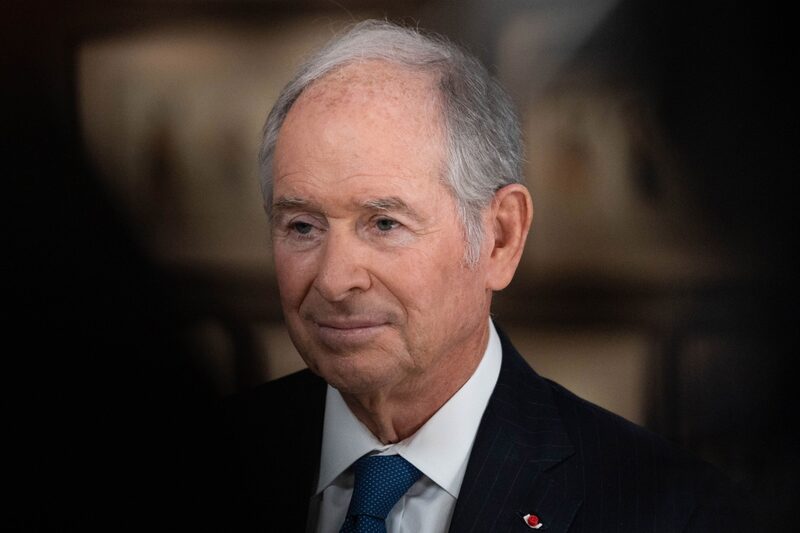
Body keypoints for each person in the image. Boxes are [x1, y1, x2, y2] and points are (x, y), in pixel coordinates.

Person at [211, 20, 741, 533]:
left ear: (501, 238)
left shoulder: (667, 510)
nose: (334, 279)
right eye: (302, 226)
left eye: (385, 223)